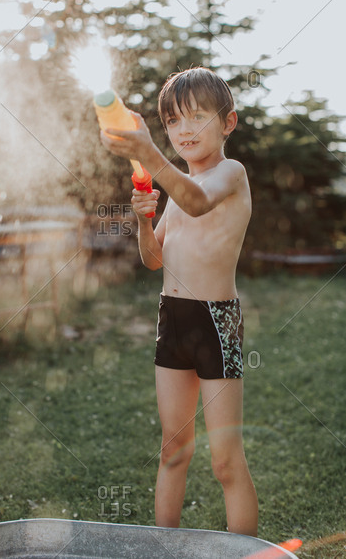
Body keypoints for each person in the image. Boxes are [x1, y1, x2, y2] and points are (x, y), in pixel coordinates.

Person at [100, 66, 258, 536]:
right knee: (173, 450)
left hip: (217, 322)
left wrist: (148, 152)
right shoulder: (174, 189)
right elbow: (153, 261)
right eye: (172, 122)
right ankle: (162, 550)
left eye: (196, 118)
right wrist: (145, 222)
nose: (183, 131)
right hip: (174, 320)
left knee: (225, 462)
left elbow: (195, 201)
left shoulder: (229, 174)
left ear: (227, 122)